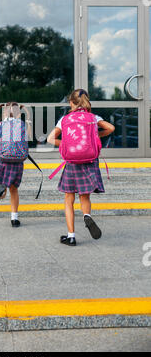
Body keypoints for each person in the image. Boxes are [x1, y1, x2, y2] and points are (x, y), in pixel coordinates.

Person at [47, 89, 115, 246]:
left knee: (68, 198)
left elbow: (51, 139)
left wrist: (67, 143)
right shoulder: (93, 118)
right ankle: (87, 216)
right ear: (86, 101)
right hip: (89, 162)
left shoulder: (65, 119)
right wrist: (95, 136)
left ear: (70, 102)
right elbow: (111, 128)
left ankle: (71, 236)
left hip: (72, 162)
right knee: (85, 196)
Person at [0, 102, 31, 228]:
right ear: (18, 114)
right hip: (18, 161)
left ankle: (1, 187)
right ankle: (14, 218)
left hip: (3, 159)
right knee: (14, 189)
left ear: (4, 113)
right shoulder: (22, 125)